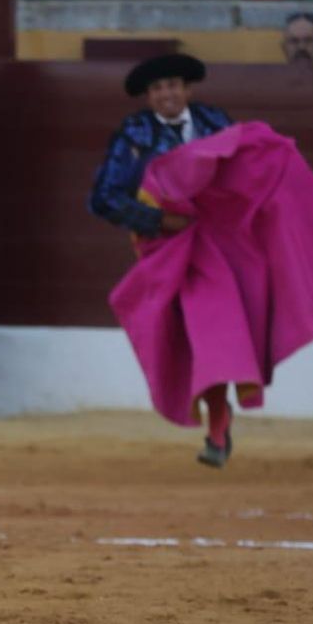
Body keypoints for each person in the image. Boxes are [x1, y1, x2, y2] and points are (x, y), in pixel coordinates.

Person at [88, 55, 235, 465]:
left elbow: (245, 175)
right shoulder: (134, 135)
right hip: (163, 252)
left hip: (215, 247)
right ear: (149, 98)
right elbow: (103, 198)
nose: (166, 94)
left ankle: (219, 425)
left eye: (172, 85)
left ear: (187, 89)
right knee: (186, 337)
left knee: (212, 332)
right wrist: (159, 220)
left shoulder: (216, 124)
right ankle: (217, 417)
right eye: (157, 89)